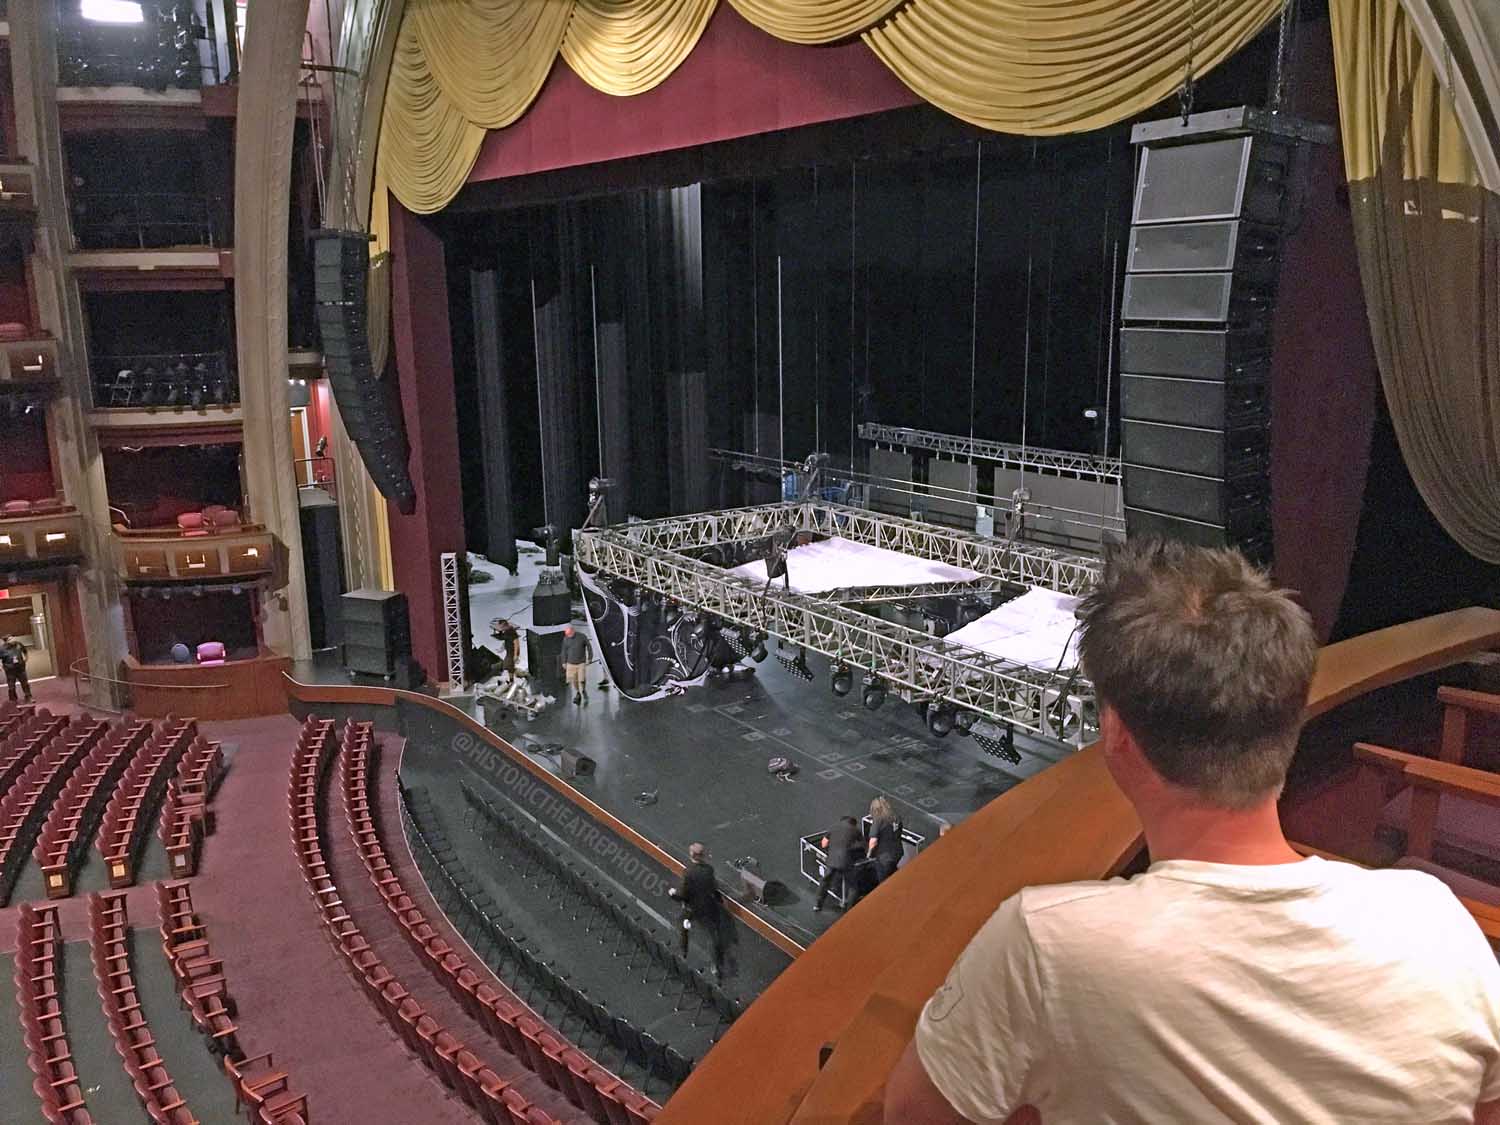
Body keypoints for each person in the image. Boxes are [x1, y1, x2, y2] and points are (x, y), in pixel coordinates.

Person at [885, 539, 1500, 1125]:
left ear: (1118, 732)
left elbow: (911, 1116)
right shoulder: (1440, 923)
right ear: (1288, 715)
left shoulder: (1041, 948)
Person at [668, 842, 732, 979]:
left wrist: (673, 894)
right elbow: (713, 887)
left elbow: (684, 894)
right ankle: (715, 966)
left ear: (691, 855)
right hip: (707, 907)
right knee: (712, 936)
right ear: (702, 856)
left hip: (692, 908)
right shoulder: (709, 870)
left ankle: (683, 951)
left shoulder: (688, 872)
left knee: (682, 926)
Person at [814, 815, 860, 913]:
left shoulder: (833, 827)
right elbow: (862, 846)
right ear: (853, 823)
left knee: (825, 881)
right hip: (846, 861)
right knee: (853, 886)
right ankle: (850, 910)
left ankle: (818, 904)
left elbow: (824, 844)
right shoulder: (856, 831)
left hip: (832, 860)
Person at [561, 625, 591, 706]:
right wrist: (563, 662)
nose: (569, 636)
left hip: (581, 662)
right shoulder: (566, 638)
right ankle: (578, 693)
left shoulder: (582, 636)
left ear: (573, 631)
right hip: (570, 663)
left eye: (570, 634)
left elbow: (589, 647)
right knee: (574, 680)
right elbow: (563, 650)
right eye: (568, 635)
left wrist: (590, 658)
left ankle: (583, 690)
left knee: (581, 679)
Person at [1, 635, 30, 703]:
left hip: (20, 668)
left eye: (13, 638)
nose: (13, 640)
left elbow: (25, 651)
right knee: (11, 686)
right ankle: (13, 700)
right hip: (10, 670)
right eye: (10, 639)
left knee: (25, 683)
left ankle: (28, 696)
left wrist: (26, 658)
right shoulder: (2, 649)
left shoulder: (18, 644)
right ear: (6, 641)